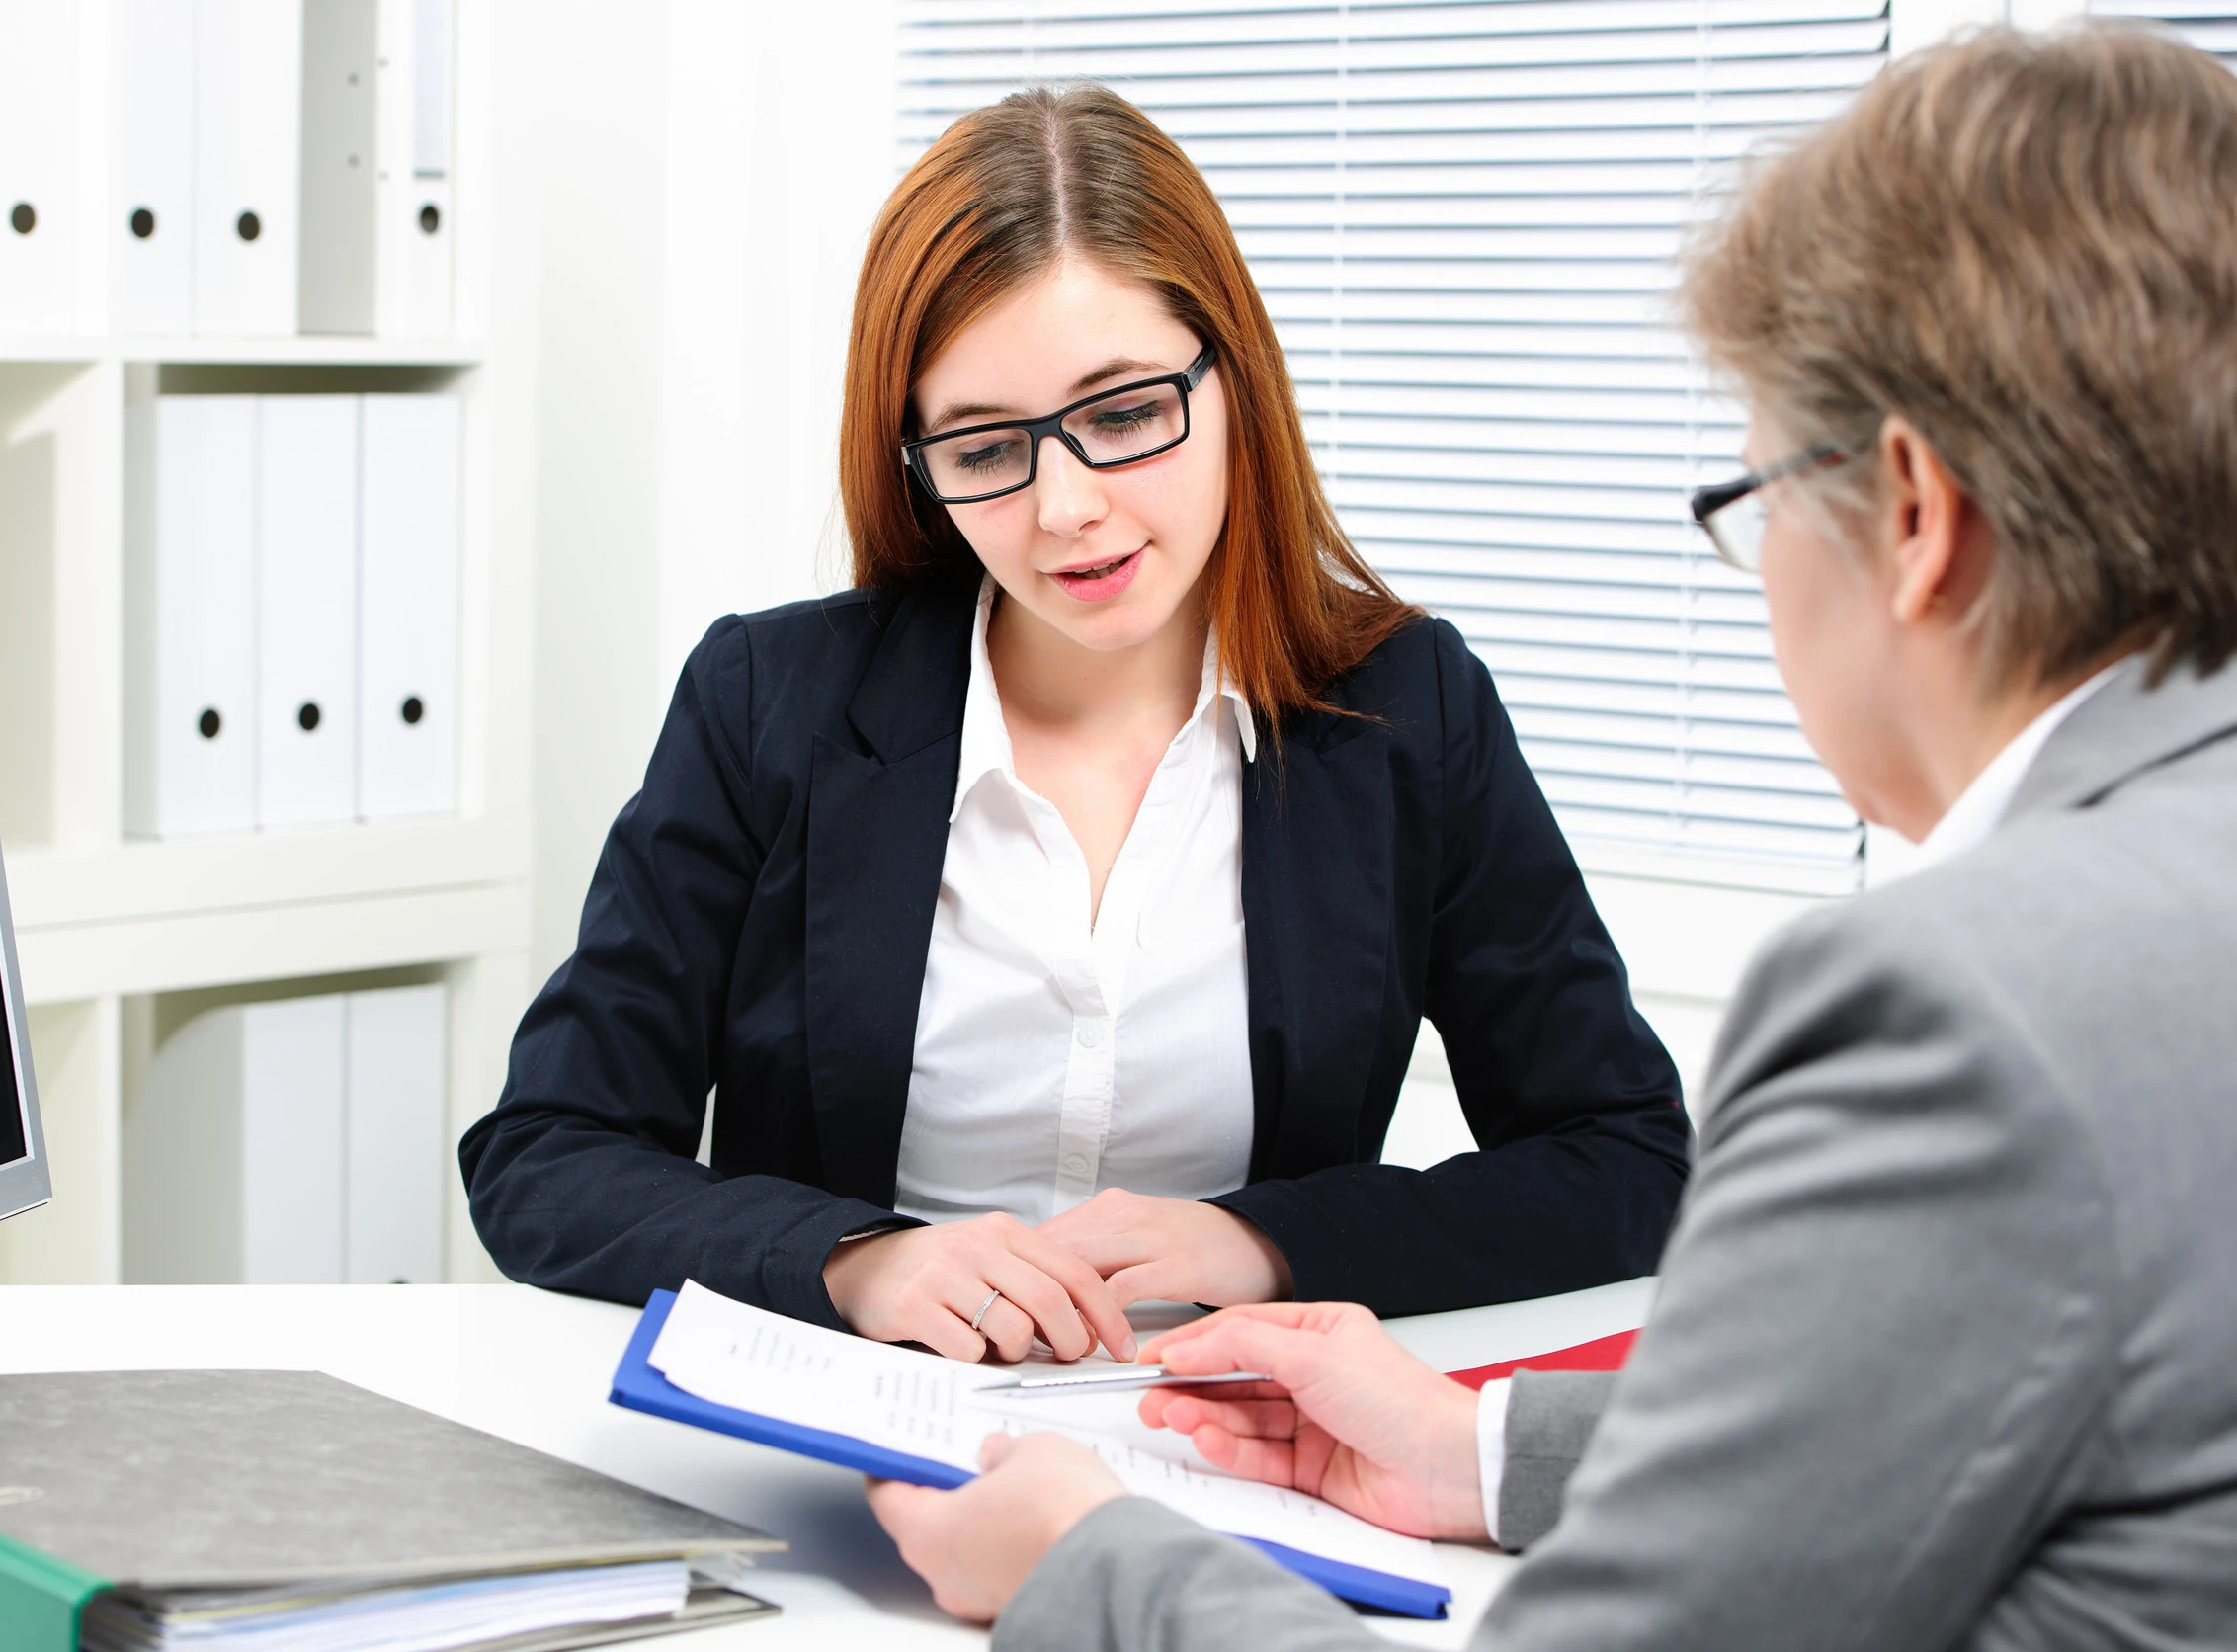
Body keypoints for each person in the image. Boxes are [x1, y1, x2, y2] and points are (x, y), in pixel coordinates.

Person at [865, 24, 2237, 1649]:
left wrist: (1083, 1568)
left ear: (1917, 519)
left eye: (1756, 498)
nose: (1066, 504)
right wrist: (1486, 1451)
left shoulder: (1961, 1004)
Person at [460, 84, 1691, 1363]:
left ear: (1232, 384)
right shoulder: (771, 702)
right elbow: (545, 1157)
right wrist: (857, 1263)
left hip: (1228, 1450)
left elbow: (1625, 1157)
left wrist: (1269, 1244)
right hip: (855, 1447)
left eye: (1122, 416)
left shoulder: (1404, 709)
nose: (1066, 508)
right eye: (986, 446)